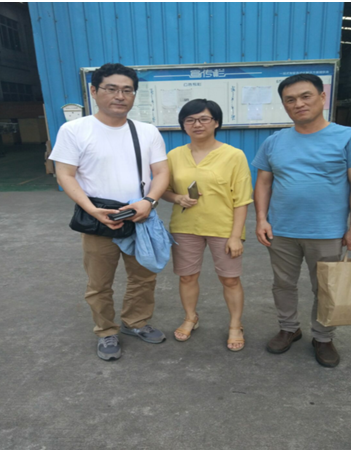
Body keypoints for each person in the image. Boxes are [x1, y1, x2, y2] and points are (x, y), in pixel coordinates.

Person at [49, 63, 170, 361]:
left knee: (144, 276)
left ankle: (135, 321)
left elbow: (161, 172)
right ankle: (105, 331)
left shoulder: (146, 131)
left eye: (127, 90)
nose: (120, 96)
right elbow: (65, 174)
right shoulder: (75, 130)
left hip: (139, 215)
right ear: (94, 91)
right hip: (98, 218)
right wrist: (92, 210)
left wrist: (149, 201)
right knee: (99, 283)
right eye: (111, 89)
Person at [252, 74, 351, 367]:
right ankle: (289, 328)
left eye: (305, 96)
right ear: (284, 105)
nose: (298, 104)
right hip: (282, 230)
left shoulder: (350, 138)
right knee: (283, 284)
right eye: (290, 100)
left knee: (327, 287)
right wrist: (261, 219)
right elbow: (263, 183)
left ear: (322, 97)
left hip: (327, 231)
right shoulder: (273, 142)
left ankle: (323, 337)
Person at [161, 99, 253, 352]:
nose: (197, 124)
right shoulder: (174, 155)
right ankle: (191, 317)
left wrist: (235, 236)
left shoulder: (234, 155)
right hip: (185, 226)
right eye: (190, 120)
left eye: (204, 119)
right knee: (187, 276)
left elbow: (242, 199)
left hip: (224, 228)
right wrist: (177, 198)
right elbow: (164, 190)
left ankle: (235, 325)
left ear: (216, 122)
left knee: (230, 279)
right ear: (183, 125)